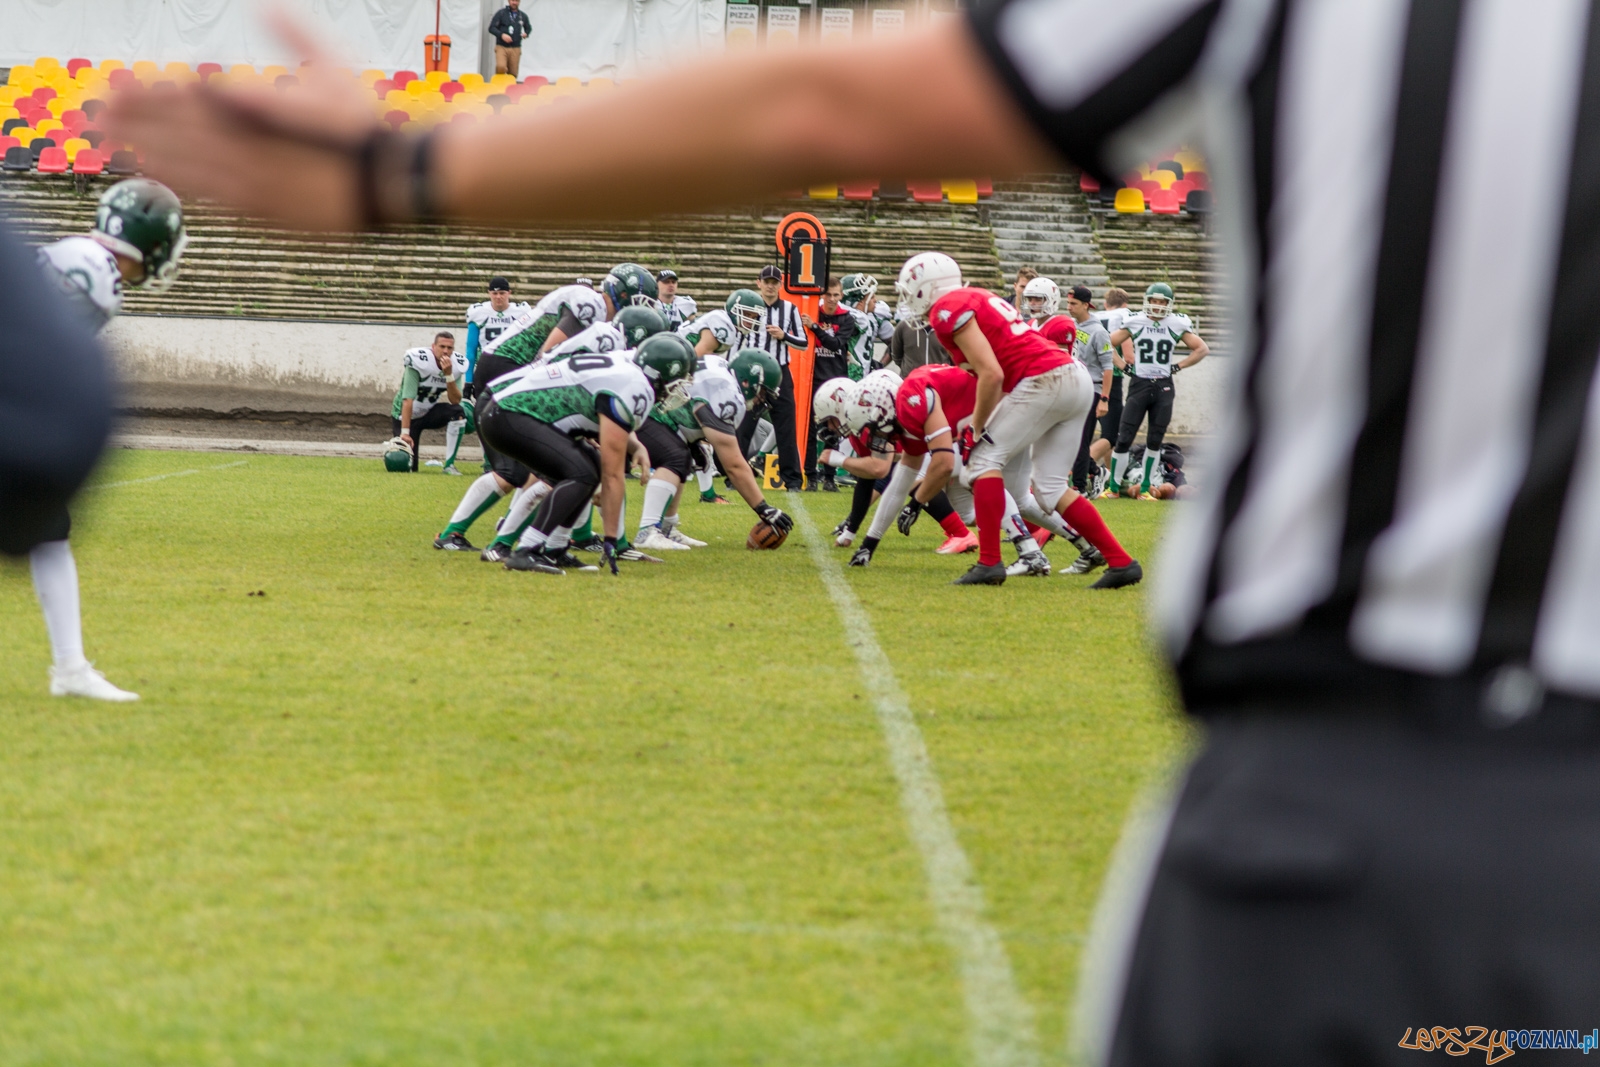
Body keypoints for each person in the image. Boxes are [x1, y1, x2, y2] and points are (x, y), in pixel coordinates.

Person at [119, 3, 1600, 1056]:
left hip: (1341, 806)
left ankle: (1027, 543)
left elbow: (823, 105)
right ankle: (1022, 540)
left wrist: (402, 171)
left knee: (999, 487)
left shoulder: (947, 307)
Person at [27, 178, 187, 701]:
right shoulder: (95, 276)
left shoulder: (79, 259)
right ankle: (69, 669)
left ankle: (70, 669)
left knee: (51, 524)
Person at [899, 251, 1138, 587]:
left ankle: (989, 563)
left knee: (981, 463)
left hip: (1043, 378)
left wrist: (978, 426)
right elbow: (992, 373)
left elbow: (991, 374)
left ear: (927, 286)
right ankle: (1121, 562)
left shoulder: (947, 310)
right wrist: (976, 418)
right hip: (1073, 378)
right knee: (1050, 488)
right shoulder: (979, 296)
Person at [477, 335, 691, 576]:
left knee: (590, 467)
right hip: (511, 414)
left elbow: (606, 411)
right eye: (678, 380)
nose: (679, 388)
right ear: (661, 373)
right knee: (582, 472)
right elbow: (613, 473)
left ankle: (554, 549)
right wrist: (611, 538)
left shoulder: (628, 366)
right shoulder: (635, 387)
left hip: (511, 412)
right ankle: (527, 550)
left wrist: (637, 446)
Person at [1105, 283, 1208, 498]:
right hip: (1139, 383)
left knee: (1155, 440)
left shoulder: (1176, 323)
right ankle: (1113, 489)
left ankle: (1145, 489)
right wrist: (1122, 365)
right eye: (1154, 301)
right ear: (1147, 301)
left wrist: (1178, 366)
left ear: (1169, 304)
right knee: (1124, 437)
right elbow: (1106, 344)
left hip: (1164, 385)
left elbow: (1202, 349)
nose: (1158, 305)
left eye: (1162, 302)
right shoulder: (1135, 320)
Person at [737, 265, 807, 490]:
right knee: (745, 423)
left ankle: (793, 480)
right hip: (752, 371)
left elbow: (804, 343)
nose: (770, 285)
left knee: (786, 425)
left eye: (774, 281)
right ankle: (735, 475)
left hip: (779, 372)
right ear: (758, 283)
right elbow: (739, 338)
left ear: (780, 284)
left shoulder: (790, 309)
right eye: (766, 281)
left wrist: (783, 335)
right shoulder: (748, 306)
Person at [802, 277, 857, 491]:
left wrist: (815, 327)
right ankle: (811, 475)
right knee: (810, 430)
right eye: (828, 295)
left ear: (841, 295)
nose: (832, 299)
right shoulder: (812, 312)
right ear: (822, 296)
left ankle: (829, 477)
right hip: (814, 379)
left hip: (835, 380)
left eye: (836, 295)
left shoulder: (847, 319)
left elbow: (835, 344)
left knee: (834, 430)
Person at [1064, 285, 1114, 505]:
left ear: (1086, 305)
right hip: (1073, 387)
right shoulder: (1071, 325)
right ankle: (1096, 471)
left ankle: (1079, 487)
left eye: (1074, 304)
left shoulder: (1099, 331)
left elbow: (1108, 367)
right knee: (1070, 439)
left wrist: (1104, 398)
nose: (1069, 307)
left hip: (1092, 388)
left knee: (1082, 438)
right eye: (1068, 303)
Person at [391, 332, 467, 472]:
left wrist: (449, 375)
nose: (446, 351)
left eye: (449, 348)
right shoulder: (419, 361)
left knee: (457, 412)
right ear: (433, 346)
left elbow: (455, 400)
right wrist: (405, 433)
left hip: (428, 412)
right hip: (405, 416)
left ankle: (449, 465)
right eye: (442, 346)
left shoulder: (454, 365)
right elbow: (408, 399)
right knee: (405, 467)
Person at [464, 276, 530, 387]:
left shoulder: (521, 312)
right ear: (489, 293)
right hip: (487, 368)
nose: (498, 297)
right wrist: (468, 380)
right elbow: (471, 350)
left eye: (502, 293)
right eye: (495, 293)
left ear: (509, 293)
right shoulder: (478, 313)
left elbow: (528, 347)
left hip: (512, 368)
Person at [1090, 286, 1131, 464]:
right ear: (1124, 305)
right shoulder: (1123, 320)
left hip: (1088, 378)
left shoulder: (1093, 318)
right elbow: (1129, 357)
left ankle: (1109, 476)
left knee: (1093, 432)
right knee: (1112, 434)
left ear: (1106, 304)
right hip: (1110, 379)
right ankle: (1079, 468)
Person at [487, 0, 532, 80]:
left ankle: (510, 88)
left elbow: (528, 28)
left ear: (519, 2)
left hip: (515, 47)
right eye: (512, 0)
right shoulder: (501, 13)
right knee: (501, 66)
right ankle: (499, 84)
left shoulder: (522, 16)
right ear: (508, 1)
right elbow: (491, 28)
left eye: (516, 1)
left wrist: (526, 34)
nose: (514, 3)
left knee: (513, 73)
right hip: (502, 46)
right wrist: (501, 35)